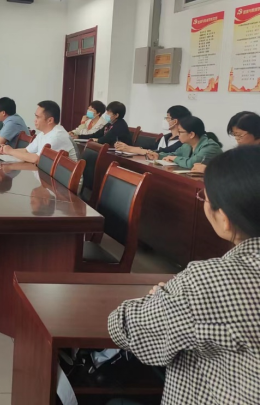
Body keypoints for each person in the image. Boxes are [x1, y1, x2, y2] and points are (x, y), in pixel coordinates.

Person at [108, 145, 260, 405]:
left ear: (224, 218)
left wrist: (164, 298)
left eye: (205, 198)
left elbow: (124, 328)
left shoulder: (214, 281)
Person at [1, 101, 78, 163]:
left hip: (65, 178)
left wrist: (10, 151)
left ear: (50, 120)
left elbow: (37, 159)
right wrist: (6, 150)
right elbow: (26, 151)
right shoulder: (42, 134)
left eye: (38, 117)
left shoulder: (57, 136)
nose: (35, 120)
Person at [191, 112, 260, 173]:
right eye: (234, 135)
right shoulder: (240, 152)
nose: (237, 139)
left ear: (256, 132)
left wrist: (209, 170)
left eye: (239, 135)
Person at [117, 105, 192, 155]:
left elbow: (164, 152)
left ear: (175, 121)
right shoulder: (165, 137)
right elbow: (152, 148)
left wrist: (134, 149)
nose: (165, 120)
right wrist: (127, 147)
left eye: (167, 117)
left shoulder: (183, 140)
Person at [152, 116, 223, 168]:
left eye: (180, 132)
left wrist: (174, 158)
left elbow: (192, 164)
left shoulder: (210, 147)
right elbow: (174, 154)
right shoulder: (187, 145)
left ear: (191, 134)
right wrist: (158, 155)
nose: (177, 134)